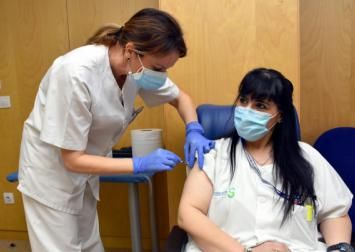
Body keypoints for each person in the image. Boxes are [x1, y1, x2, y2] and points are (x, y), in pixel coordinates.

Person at [18, 8, 214, 252]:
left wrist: (193, 128)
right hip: (52, 176)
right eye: (160, 68)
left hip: (84, 173)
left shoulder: (135, 69)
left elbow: (180, 98)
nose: (163, 76)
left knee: (89, 244)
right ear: (131, 51)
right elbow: (71, 159)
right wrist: (139, 164)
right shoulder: (75, 73)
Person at [177, 68, 354, 252]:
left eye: (260, 106)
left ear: (280, 116)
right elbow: (189, 214)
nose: (246, 110)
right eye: (244, 100)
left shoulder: (308, 158)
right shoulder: (214, 154)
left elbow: (335, 214)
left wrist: (339, 249)